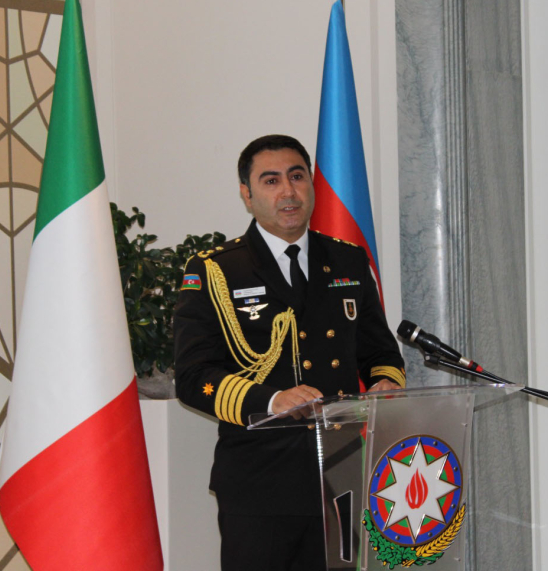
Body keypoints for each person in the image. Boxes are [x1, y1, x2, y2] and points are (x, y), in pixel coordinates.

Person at [174, 134, 405, 571]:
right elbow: (192, 376)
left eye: (297, 177)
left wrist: (385, 382)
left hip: (343, 470)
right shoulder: (216, 270)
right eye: (271, 180)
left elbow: (380, 353)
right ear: (247, 194)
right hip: (261, 479)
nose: (288, 191)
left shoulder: (348, 261)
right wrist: (272, 400)